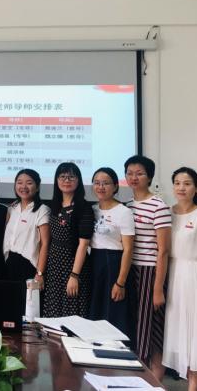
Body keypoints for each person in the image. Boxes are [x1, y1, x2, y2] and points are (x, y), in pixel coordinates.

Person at [162, 167, 197, 390]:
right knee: (175, 332)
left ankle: (194, 387)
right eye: (177, 183)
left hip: (194, 277)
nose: (181, 188)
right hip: (171, 276)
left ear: (196, 188)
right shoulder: (166, 212)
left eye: (187, 183)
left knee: (196, 332)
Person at [124, 155, 171, 380]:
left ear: (149, 177)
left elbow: (163, 250)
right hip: (131, 271)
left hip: (149, 271)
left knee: (151, 330)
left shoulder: (159, 206)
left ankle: (154, 381)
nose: (134, 177)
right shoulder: (127, 206)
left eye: (139, 173)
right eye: (130, 173)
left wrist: (158, 288)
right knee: (137, 326)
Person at [42, 162, 94, 318]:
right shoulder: (54, 205)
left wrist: (74, 275)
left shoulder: (84, 208)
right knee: (53, 309)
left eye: (71, 177)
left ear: (78, 181)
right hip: (54, 266)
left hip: (73, 265)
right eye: (62, 177)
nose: (66, 180)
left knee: (71, 310)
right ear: (57, 180)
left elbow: (83, 244)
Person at [89, 167, 134, 336]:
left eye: (106, 183)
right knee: (95, 312)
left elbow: (128, 249)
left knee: (113, 314)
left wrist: (120, 282)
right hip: (94, 262)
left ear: (115, 186)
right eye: (97, 183)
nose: (101, 187)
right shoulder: (92, 209)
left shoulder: (124, 212)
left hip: (113, 264)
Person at [2, 169, 50, 284]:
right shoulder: (12, 208)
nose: (23, 186)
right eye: (19, 182)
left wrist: (40, 273)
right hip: (9, 261)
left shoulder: (42, 210)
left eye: (29, 183)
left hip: (29, 265)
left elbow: (45, 244)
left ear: (37, 187)